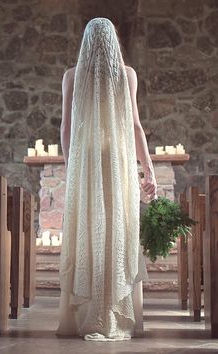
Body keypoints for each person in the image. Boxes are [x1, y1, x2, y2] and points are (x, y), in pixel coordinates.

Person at [56, 17, 157, 341]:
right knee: (115, 232)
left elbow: (66, 129)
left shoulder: (73, 76)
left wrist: (72, 168)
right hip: (116, 164)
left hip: (86, 166)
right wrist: (147, 168)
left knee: (89, 233)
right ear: (113, 41)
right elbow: (135, 127)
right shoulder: (126, 75)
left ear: (86, 42)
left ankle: (83, 313)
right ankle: (115, 311)